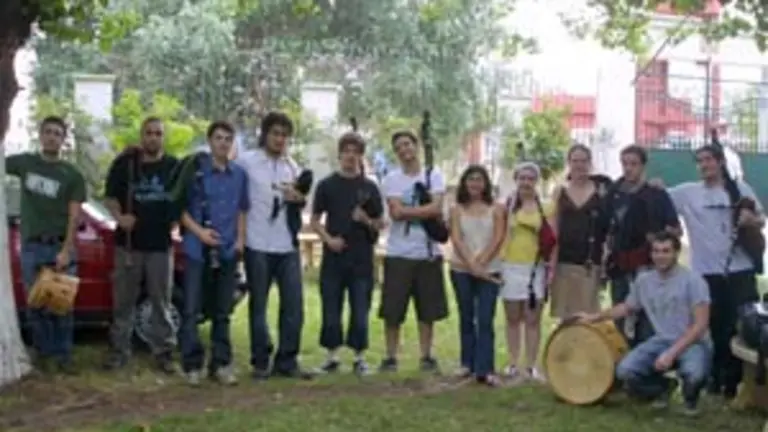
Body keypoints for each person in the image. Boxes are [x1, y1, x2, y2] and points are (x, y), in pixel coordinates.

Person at [662, 144, 764, 399]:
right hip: (706, 273)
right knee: (714, 328)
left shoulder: (740, 189)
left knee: (742, 327)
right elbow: (659, 199)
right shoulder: (688, 193)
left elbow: (761, 218)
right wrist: (654, 184)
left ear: (720, 162)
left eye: (709, 160)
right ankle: (716, 380)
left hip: (740, 270)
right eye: (700, 161)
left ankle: (743, 383)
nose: (704, 165)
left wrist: (751, 221)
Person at [577, 232, 711, 416]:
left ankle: (690, 400)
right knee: (625, 371)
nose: (660, 256)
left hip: (692, 343)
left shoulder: (693, 281)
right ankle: (662, 389)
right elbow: (626, 307)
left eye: (666, 251)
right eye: (656, 251)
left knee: (694, 374)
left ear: (676, 253)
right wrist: (595, 317)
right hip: (661, 340)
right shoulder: (644, 281)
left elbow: (700, 326)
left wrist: (671, 354)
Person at [236, 112, 313, 380]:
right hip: (257, 243)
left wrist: (297, 198)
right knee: (259, 304)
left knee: (293, 304)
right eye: (275, 133)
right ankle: (260, 360)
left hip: (287, 245)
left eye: (284, 135)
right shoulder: (246, 162)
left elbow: (301, 201)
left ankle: (287, 359)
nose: (280, 139)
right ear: (265, 134)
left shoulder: (293, 167)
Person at [6, 116, 86, 374]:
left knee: (61, 304)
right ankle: (43, 355)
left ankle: (63, 357)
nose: (52, 136)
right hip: (31, 246)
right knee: (36, 303)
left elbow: (75, 216)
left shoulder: (71, 175)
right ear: (40, 135)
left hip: (58, 246)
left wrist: (66, 249)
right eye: (48, 132)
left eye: (57, 133)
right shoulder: (24, 163)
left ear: (63, 139)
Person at [173, 121, 249, 386]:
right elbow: (179, 210)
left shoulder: (239, 175)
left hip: (227, 250)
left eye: (228, 139)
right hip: (197, 250)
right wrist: (199, 233)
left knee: (222, 311)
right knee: (192, 309)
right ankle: (192, 365)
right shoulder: (195, 172)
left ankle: (221, 363)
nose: (223, 143)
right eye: (219, 138)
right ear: (209, 141)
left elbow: (242, 209)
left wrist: (240, 240)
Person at [103, 117, 179, 373]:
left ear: (163, 137)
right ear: (141, 135)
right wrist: (119, 217)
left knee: (161, 302)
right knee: (123, 302)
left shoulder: (173, 166)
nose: (153, 137)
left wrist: (174, 221)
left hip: (160, 246)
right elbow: (110, 196)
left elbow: (183, 198)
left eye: (158, 133)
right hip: (128, 246)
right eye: (149, 133)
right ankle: (119, 352)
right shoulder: (126, 164)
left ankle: (164, 352)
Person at [310, 131, 384, 376]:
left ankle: (359, 357)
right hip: (334, 257)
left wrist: (365, 220)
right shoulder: (327, 185)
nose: (351, 156)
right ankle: (331, 356)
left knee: (360, 309)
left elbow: (381, 223)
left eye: (356, 152)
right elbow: (315, 220)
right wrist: (329, 240)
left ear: (361, 156)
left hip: (362, 258)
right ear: (340, 154)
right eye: (347, 152)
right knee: (331, 308)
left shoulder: (370, 187)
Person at [378, 130, 448, 373]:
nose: (404, 150)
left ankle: (426, 355)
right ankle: (390, 356)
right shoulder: (391, 179)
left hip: (427, 252)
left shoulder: (434, 175)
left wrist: (410, 211)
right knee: (393, 310)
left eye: (407, 144)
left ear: (416, 146)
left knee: (427, 310)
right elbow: (395, 212)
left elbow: (438, 208)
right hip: (399, 252)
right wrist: (425, 210)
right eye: (399, 147)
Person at [604, 145, 680, 346]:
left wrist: (657, 238)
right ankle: (623, 360)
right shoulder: (613, 193)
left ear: (643, 166)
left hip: (648, 264)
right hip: (620, 265)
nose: (628, 168)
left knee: (648, 315)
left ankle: (646, 363)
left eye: (633, 164)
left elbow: (675, 229)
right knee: (620, 312)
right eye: (625, 163)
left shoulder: (656, 194)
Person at [448, 165, 505, 386]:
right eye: (471, 179)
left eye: (479, 180)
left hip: (490, 271)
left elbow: (498, 237)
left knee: (485, 319)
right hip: (461, 269)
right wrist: (470, 264)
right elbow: (456, 237)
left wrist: (481, 262)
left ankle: (486, 368)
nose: (475, 184)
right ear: (464, 183)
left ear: (486, 184)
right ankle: (467, 364)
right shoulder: (456, 209)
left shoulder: (497, 208)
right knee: (466, 316)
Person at [499, 162, 554, 382]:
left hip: (535, 267)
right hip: (510, 265)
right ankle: (513, 363)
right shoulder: (507, 205)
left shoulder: (546, 207)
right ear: (516, 180)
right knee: (513, 317)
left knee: (532, 318)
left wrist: (551, 267)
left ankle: (531, 365)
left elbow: (553, 238)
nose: (526, 182)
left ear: (537, 181)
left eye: (531, 178)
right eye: (522, 178)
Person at [549, 145, 609, 320]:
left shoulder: (601, 191)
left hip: (590, 263)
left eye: (583, 160)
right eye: (575, 160)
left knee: (588, 317)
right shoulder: (560, 192)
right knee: (565, 316)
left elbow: (607, 230)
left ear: (590, 163)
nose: (579, 165)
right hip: (564, 262)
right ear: (569, 163)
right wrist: (552, 264)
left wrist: (605, 261)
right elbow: (554, 229)